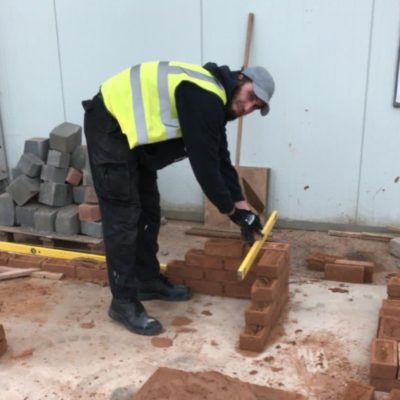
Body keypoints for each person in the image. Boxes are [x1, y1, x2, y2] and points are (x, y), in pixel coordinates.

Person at [82, 61, 275, 336]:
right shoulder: (204, 96)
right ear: (241, 79)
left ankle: (146, 280)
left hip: (134, 142)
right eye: (250, 98)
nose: (247, 108)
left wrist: (243, 205)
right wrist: (232, 212)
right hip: (110, 126)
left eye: (254, 108)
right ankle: (123, 301)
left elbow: (220, 157)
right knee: (123, 215)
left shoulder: (215, 100)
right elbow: (205, 166)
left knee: (148, 210)